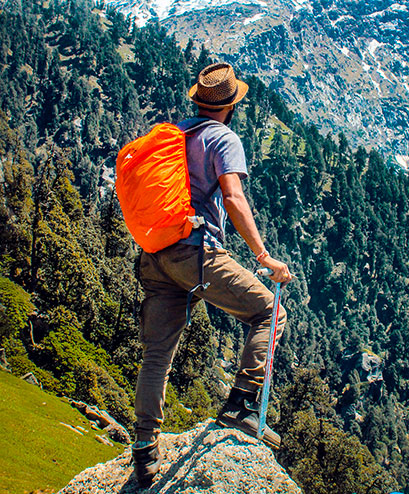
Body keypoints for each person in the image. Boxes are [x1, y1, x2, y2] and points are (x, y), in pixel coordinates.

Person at [131, 62, 293, 487]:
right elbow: (233, 197)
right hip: (195, 252)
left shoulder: (178, 134)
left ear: (199, 101)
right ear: (231, 106)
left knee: (156, 357)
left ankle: (145, 453)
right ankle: (240, 407)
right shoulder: (224, 137)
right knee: (268, 313)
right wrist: (263, 255)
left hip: (156, 254)